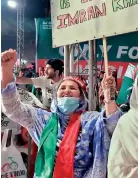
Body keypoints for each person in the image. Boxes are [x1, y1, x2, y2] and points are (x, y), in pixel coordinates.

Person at [1, 49, 122, 178]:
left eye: (72, 88)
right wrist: (6, 71)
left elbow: (113, 125)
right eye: (62, 88)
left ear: (81, 97)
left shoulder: (91, 120)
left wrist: (109, 99)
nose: (67, 91)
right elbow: (13, 109)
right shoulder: (43, 119)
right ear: (56, 96)